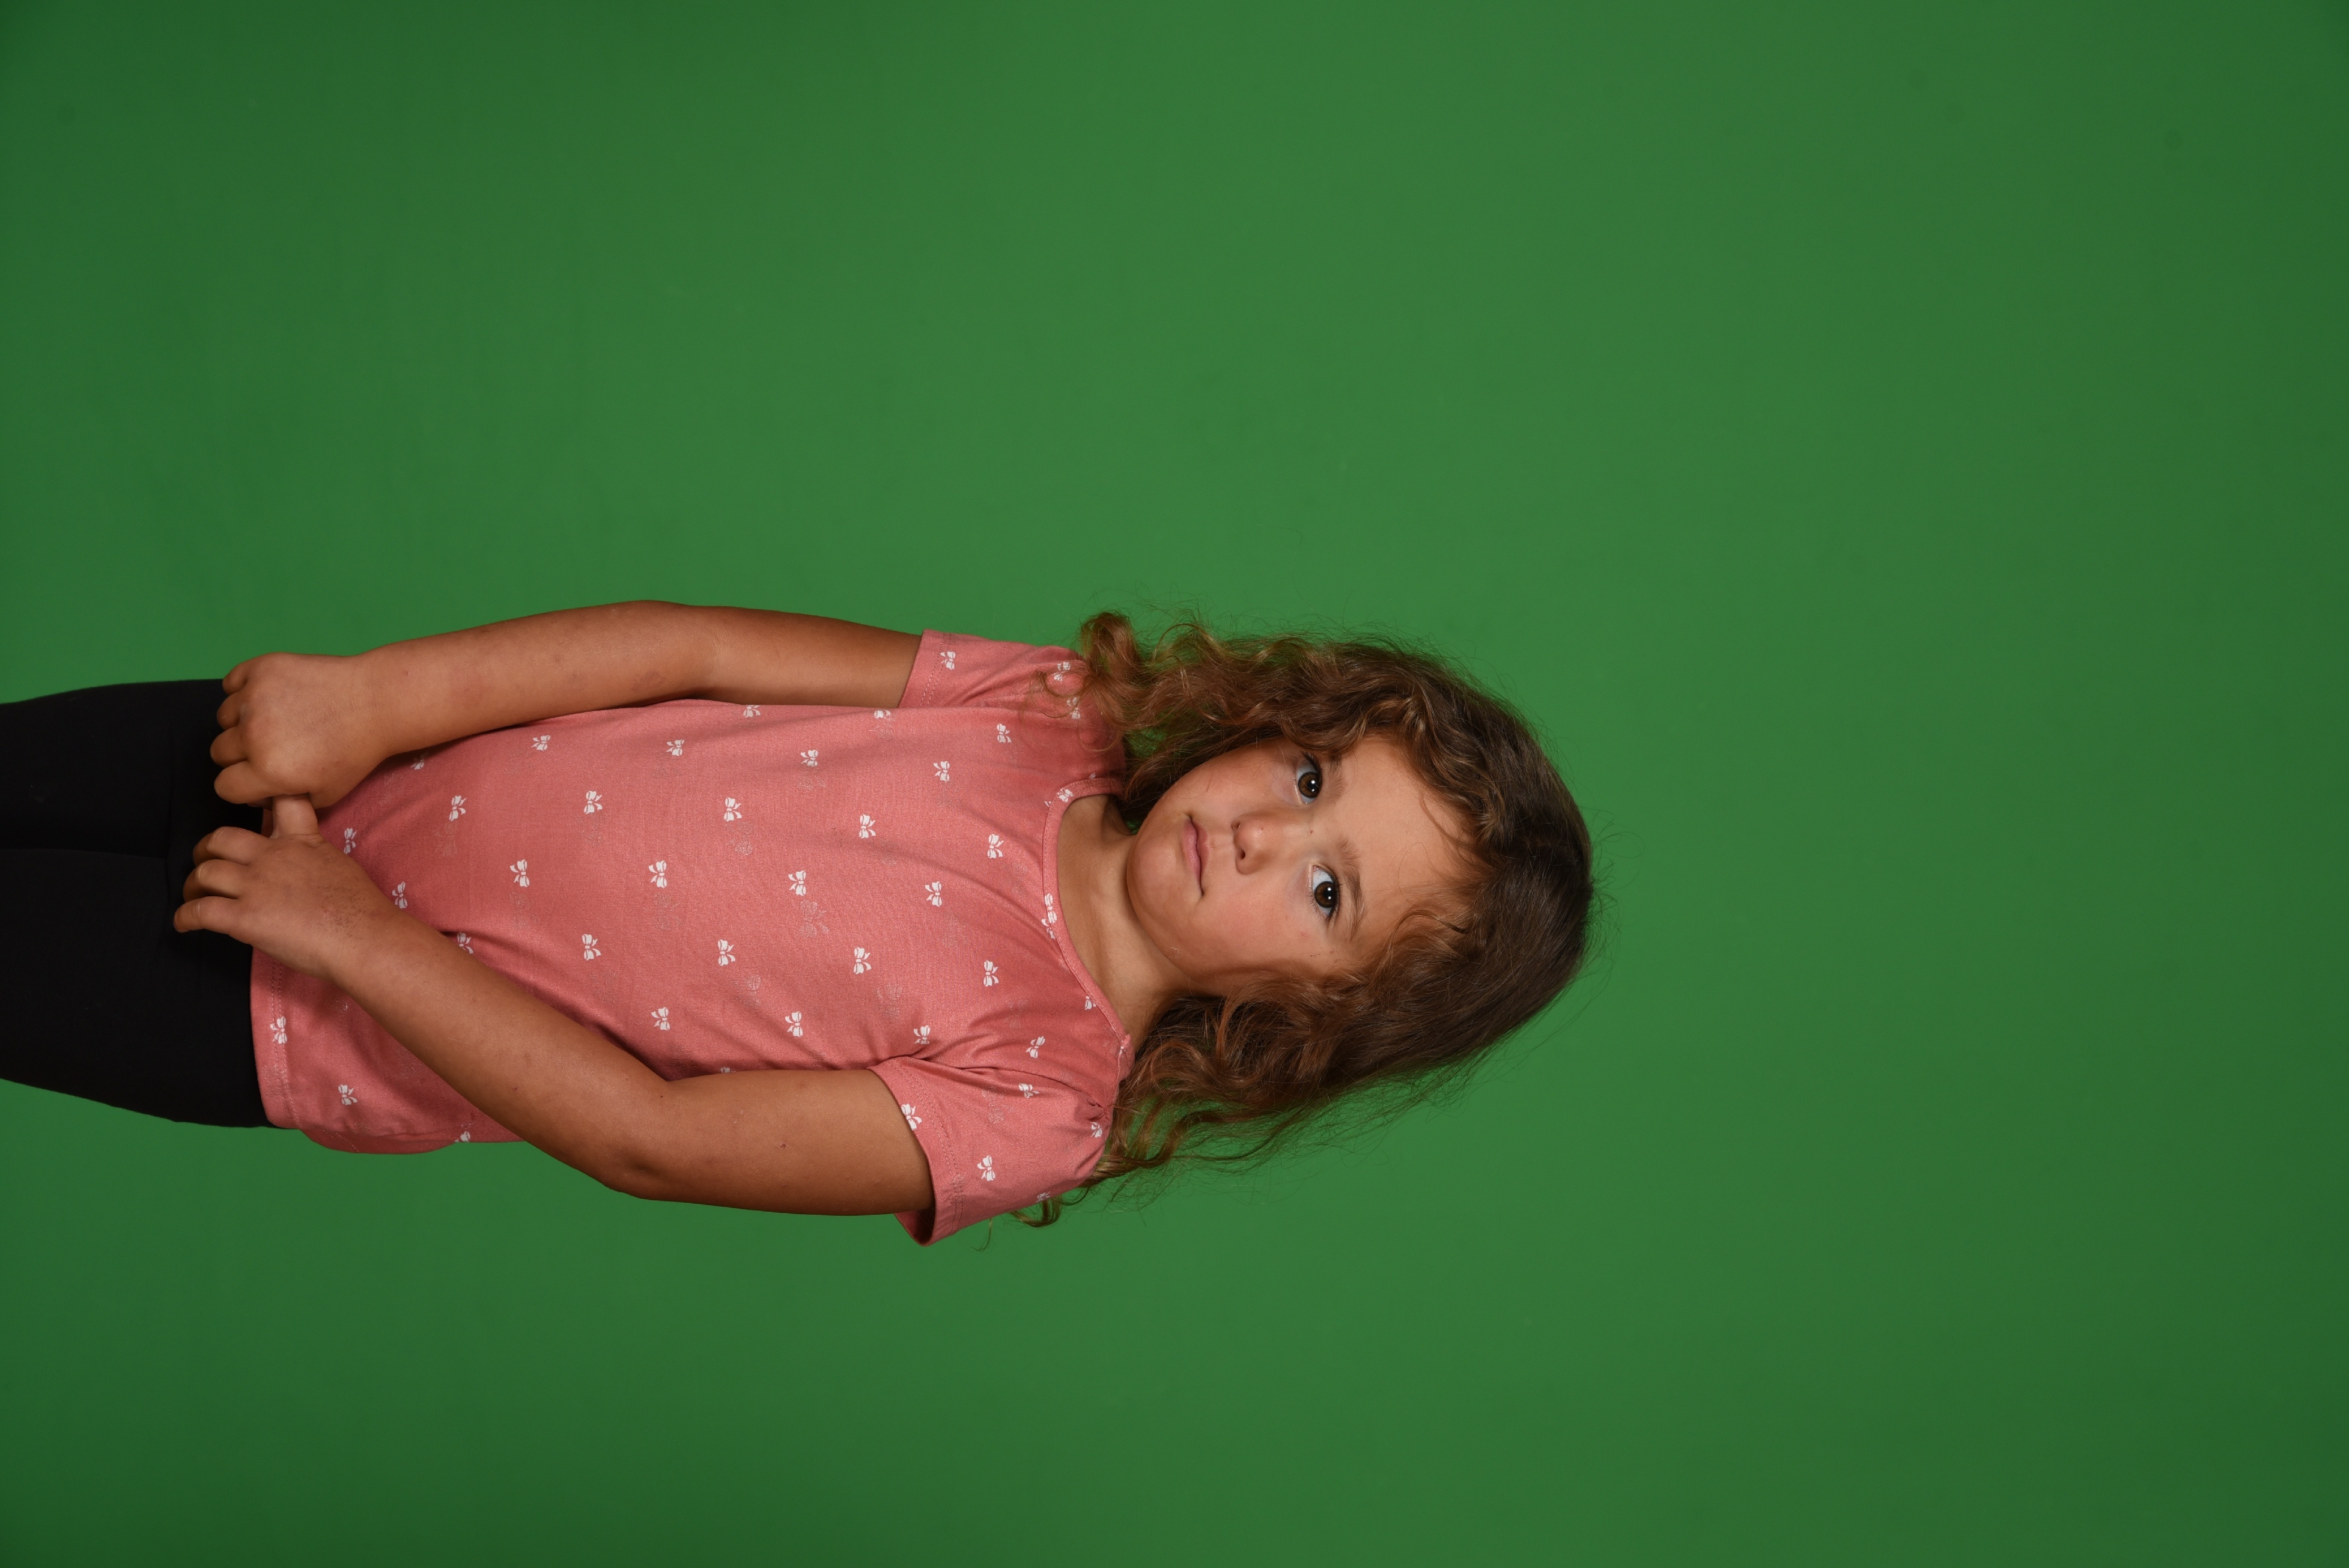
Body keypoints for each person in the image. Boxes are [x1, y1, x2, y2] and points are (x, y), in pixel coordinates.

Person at [0, 603, 1593, 1242]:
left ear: (1322, 1014)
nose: (1262, 833)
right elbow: (690, 649)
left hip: (287, 997)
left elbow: (651, 1140)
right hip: (334, 758)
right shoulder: (1050, 709)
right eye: (1310, 777)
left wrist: (354, 939)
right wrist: (376, 698)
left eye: (1327, 890)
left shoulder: (1039, 1099)